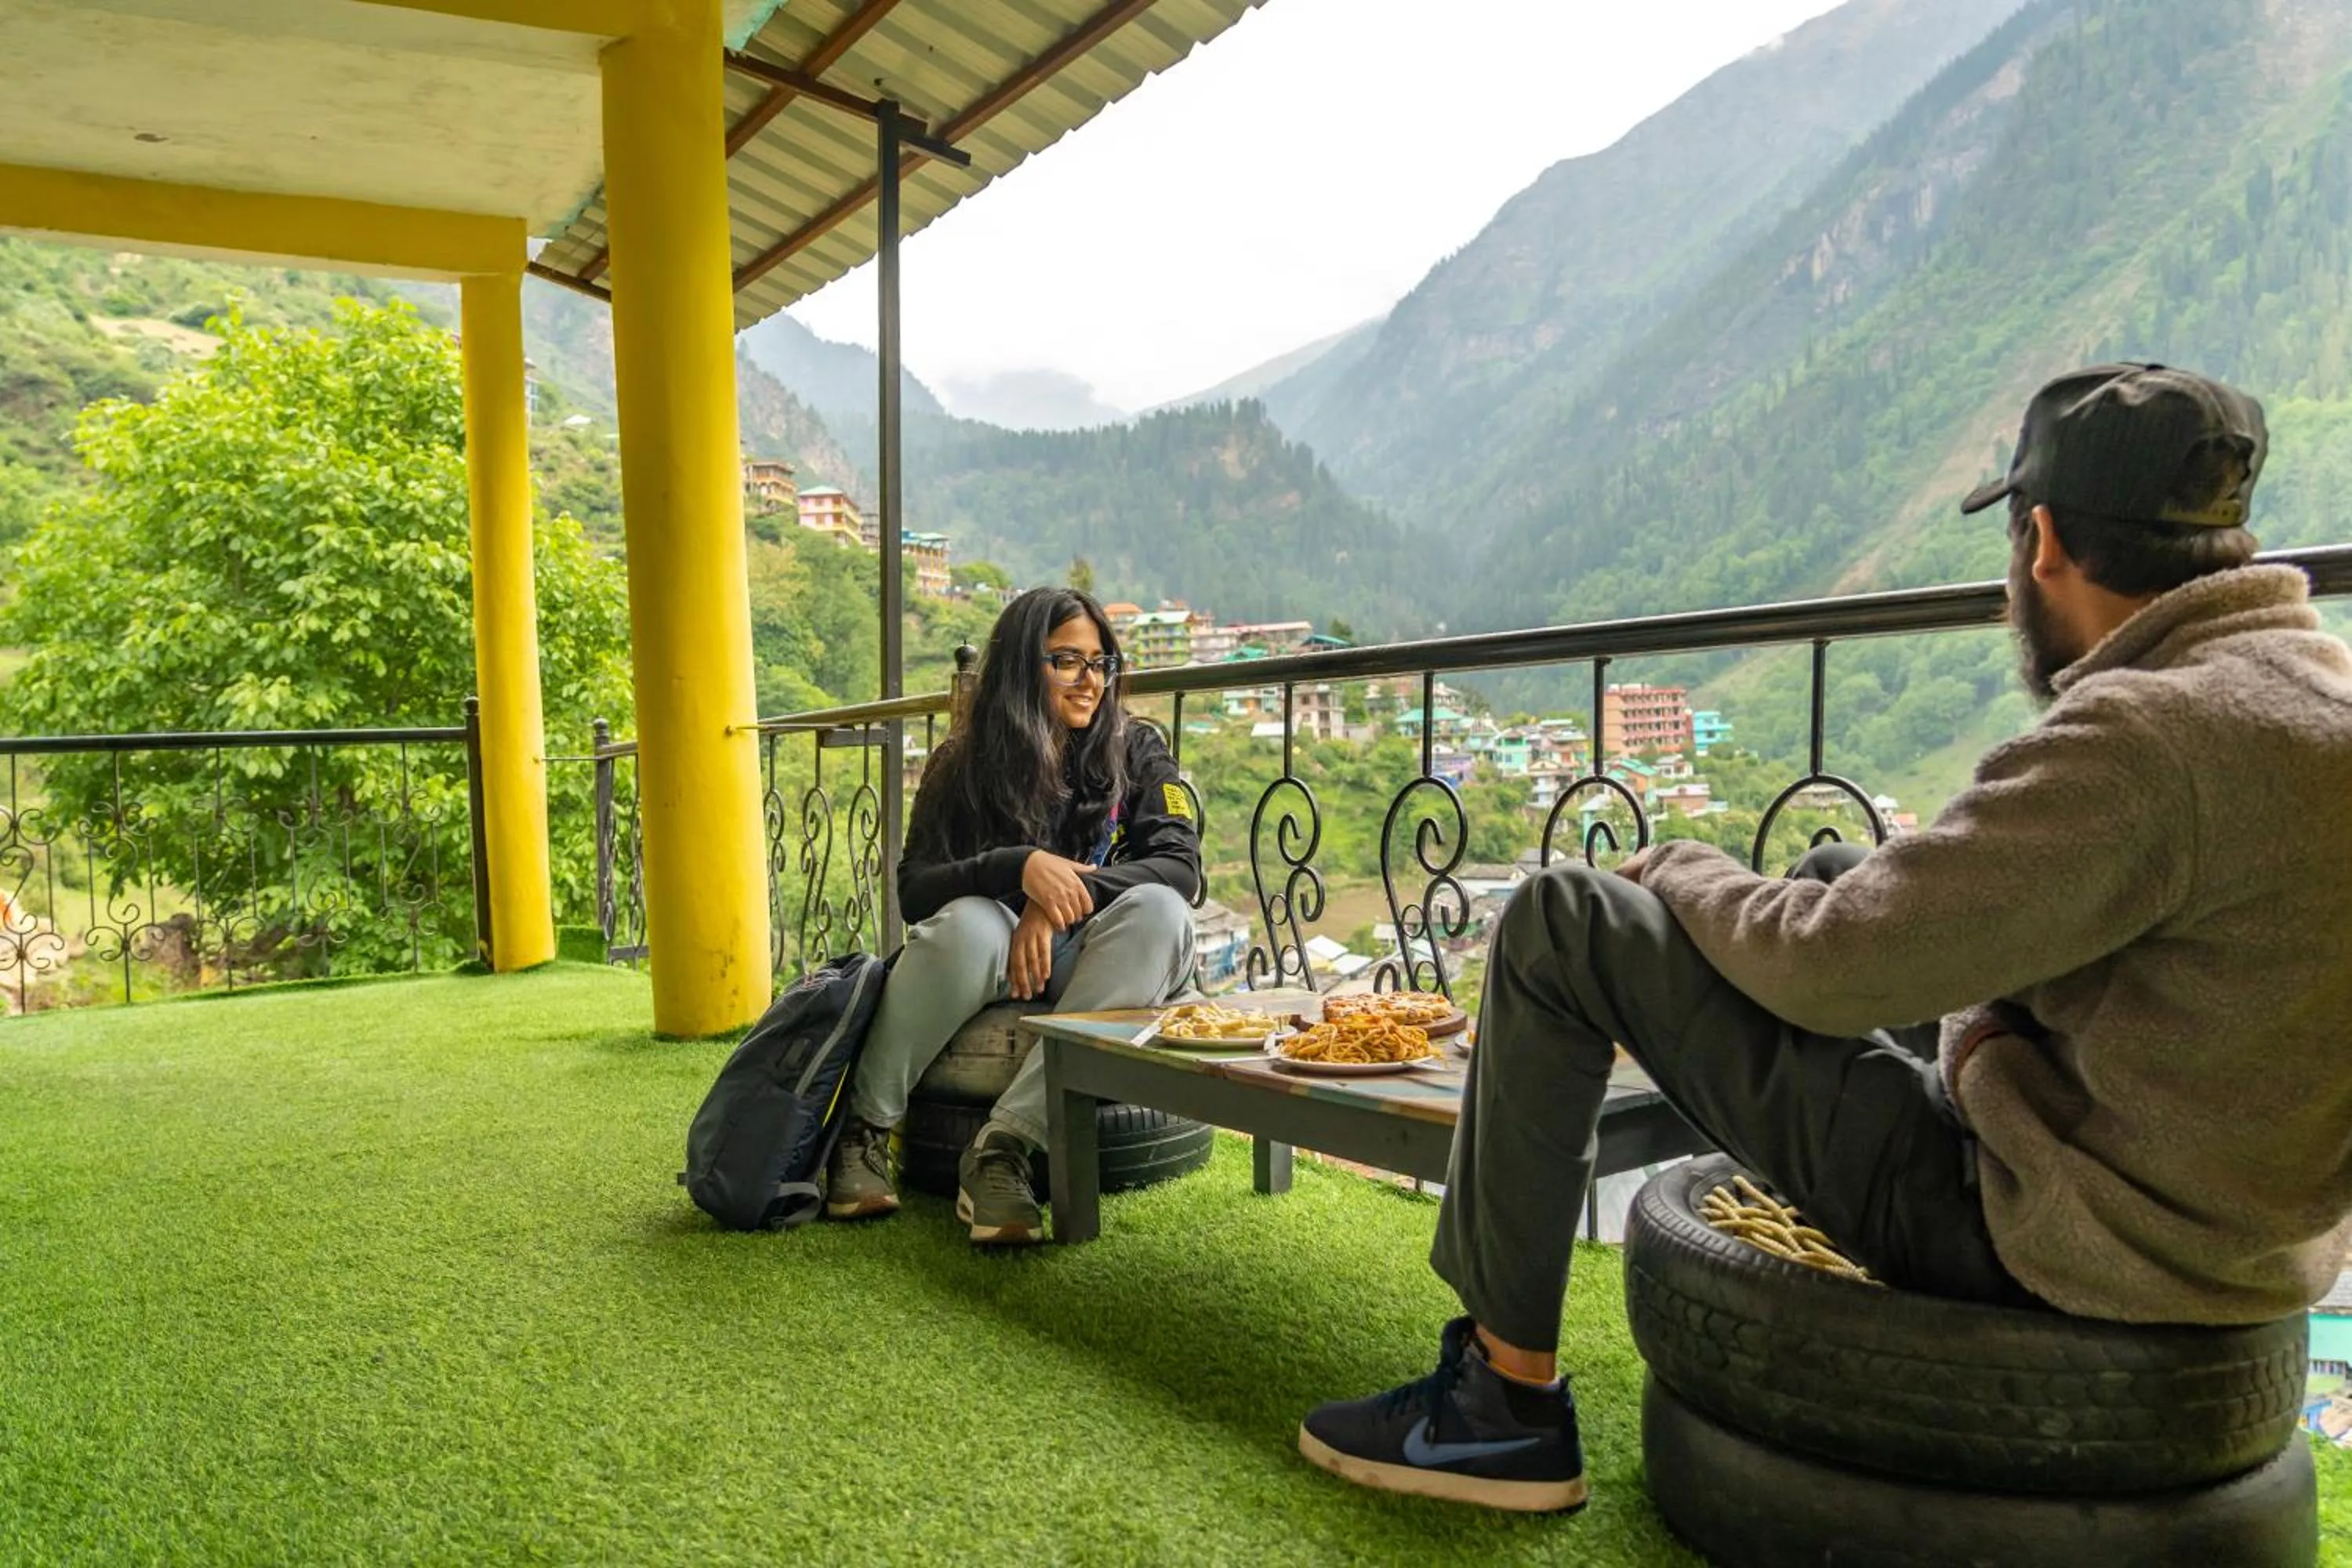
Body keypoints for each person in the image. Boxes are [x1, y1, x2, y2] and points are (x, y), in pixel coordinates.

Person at [1296, 364, 2352, 1513]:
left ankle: (1499, 1412)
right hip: (2235, 1229)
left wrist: (1682, 869)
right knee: (1835, 874)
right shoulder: (2308, 691)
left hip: (2060, 1239)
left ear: (2042, 540)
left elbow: (1831, 965)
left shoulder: (2147, 737)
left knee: (1565, 918)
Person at [824, 586, 1202, 1246]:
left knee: (1162, 913)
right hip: (990, 961)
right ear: (1023, 665)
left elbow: (1179, 867)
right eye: (1067, 661)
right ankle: (862, 1132)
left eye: (1101, 663)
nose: (1091, 682)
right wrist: (1018, 867)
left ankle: (1002, 1149)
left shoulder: (1137, 749)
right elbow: (916, 892)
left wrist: (1052, 905)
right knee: (968, 923)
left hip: (1095, 962)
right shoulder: (962, 764)